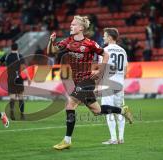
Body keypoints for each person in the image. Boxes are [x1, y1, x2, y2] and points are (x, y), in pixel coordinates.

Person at [47, 15, 133, 150]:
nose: (71, 26)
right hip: (78, 82)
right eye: (71, 24)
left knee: (70, 105)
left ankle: (67, 140)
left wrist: (100, 70)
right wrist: (51, 42)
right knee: (97, 110)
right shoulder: (67, 41)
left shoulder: (90, 43)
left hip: (87, 81)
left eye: (74, 24)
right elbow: (51, 52)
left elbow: (106, 55)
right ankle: (122, 110)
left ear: (81, 28)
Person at [100, 28, 128, 145]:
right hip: (120, 83)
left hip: (108, 82)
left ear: (110, 37)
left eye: (105, 36)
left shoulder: (104, 50)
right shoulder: (123, 51)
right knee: (119, 110)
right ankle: (121, 138)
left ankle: (113, 138)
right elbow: (126, 69)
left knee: (108, 110)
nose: (103, 37)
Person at [0, 43, 31, 120]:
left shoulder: (7, 56)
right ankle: (22, 115)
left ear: (11, 48)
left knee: (12, 96)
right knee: (21, 96)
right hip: (18, 78)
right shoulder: (20, 56)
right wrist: (28, 78)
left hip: (10, 78)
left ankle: (12, 113)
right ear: (17, 48)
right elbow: (23, 68)